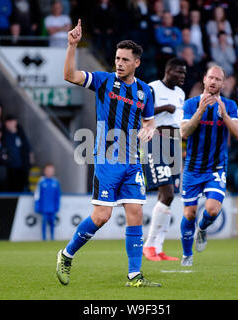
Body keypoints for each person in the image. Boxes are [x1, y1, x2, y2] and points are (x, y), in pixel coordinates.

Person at [56, 20, 159, 288]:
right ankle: (66, 254)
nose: (119, 63)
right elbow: (70, 75)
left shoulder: (145, 91)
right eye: (117, 58)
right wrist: (72, 46)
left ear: (137, 62)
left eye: (125, 59)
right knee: (102, 217)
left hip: (132, 163)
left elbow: (149, 122)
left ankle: (134, 275)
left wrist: (149, 130)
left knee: (135, 212)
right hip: (106, 161)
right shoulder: (103, 81)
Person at [179, 65, 238, 266]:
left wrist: (224, 115)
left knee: (213, 209)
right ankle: (187, 255)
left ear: (222, 84)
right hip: (192, 168)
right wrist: (200, 112)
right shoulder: (190, 104)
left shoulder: (230, 106)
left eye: (218, 79)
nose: (214, 82)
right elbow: (184, 132)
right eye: (211, 78)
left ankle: (203, 228)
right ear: (204, 80)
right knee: (189, 213)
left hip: (216, 167)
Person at [142, 57, 186, 262]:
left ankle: (158, 248)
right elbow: (140, 112)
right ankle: (149, 245)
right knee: (166, 194)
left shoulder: (180, 94)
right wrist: (164, 107)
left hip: (174, 144)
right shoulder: (152, 88)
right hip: (156, 140)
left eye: (184, 73)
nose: (182, 76)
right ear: (168, 71)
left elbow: (179, 122)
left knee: (169, 197)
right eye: (179, 72)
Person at [3, 115, 32, 192]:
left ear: (15, 122)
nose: (10, 124)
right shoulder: (4, 135)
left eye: (11, 122)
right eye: (8, 122)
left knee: (20, 188)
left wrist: (29, 164)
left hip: (21, 167)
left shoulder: (21, 135)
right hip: (9, 168)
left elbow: (28, 150)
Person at [34, 164, 61, 241]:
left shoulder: (55, 182)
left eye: (51, 171)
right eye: (48, 170)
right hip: (44, 207)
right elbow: (37, 194)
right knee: (44, 222)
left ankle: (52, 237)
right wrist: (37, 205)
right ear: (45, 171)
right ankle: (44, 238)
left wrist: (57, 205)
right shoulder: (41, 181)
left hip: (52, 208)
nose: (49, 172)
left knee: (52, 223)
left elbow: (58, 196)